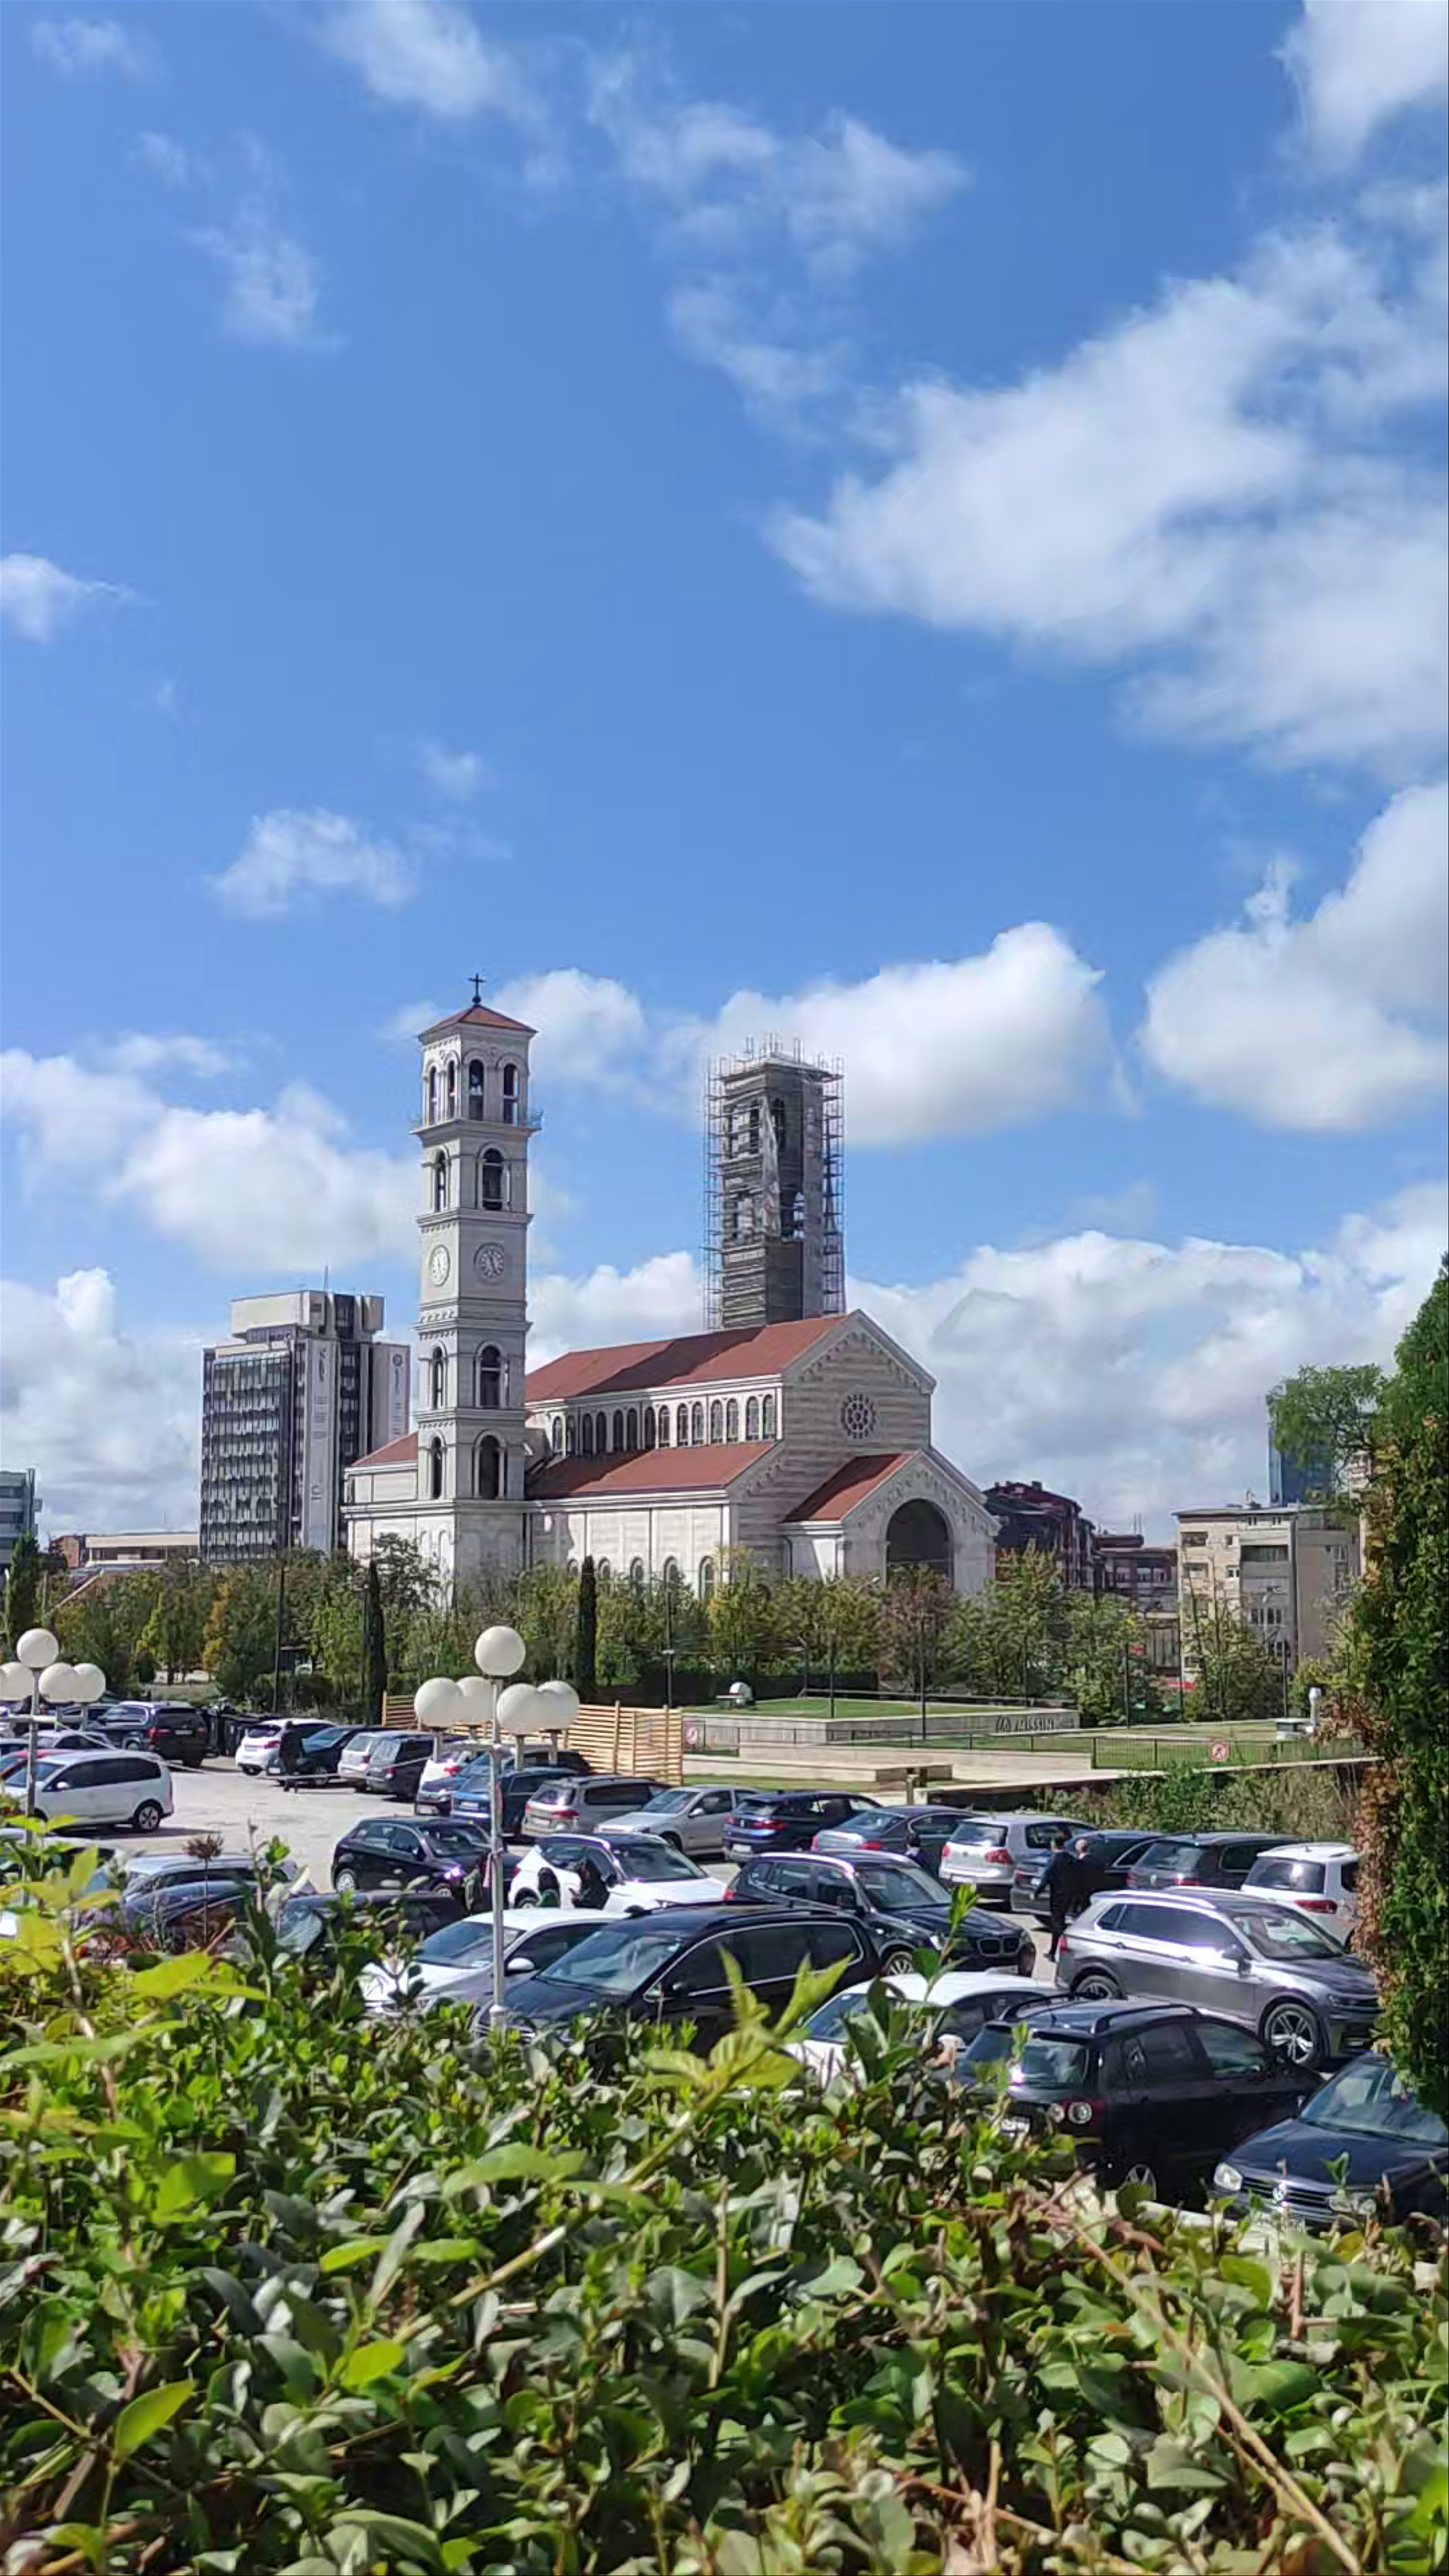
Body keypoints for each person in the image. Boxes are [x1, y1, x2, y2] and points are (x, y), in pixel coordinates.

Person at [1037, 1828, 1083, 1962]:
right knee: (1062, 1922)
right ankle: (1057, 1950)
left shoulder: (1054, 1860)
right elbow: (1078, 1876)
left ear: (1054, 1845)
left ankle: (1055, 1951)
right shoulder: (1071, 1859)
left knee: (1057, 1924)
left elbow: (1046, 1878)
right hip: (1070, 1895)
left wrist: (1037, 1893)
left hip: (1057, 1896)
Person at [276, 1720, 306, 1792]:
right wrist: (303, 1753)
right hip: (295, 1755)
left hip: (286, 1755)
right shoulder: (297, 1734)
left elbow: (282, 1745)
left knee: (288, 1771)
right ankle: (291, 1785)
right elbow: (301, 1745)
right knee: (292, 1770)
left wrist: (280, 1755)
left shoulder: (285, 1734)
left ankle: (290, 1785)